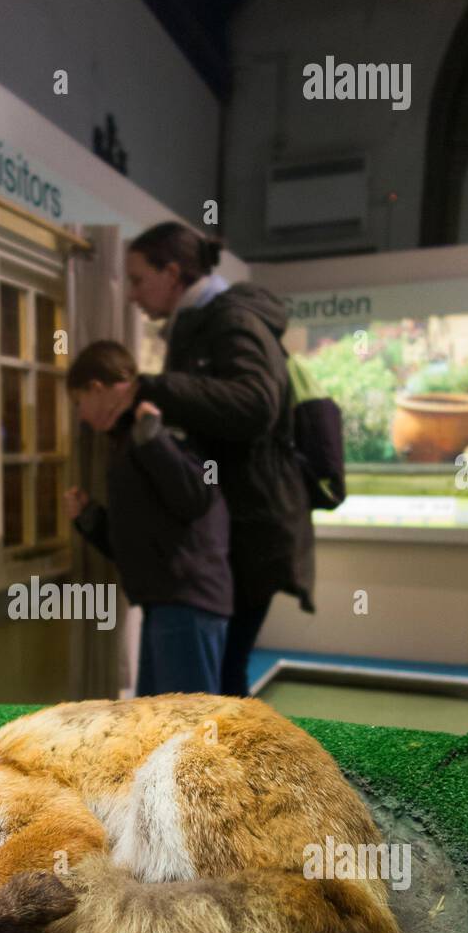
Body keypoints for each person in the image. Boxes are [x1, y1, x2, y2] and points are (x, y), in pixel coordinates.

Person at [88, 221, 315, 696]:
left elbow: (256, 403)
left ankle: (228, 772)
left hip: (250, 536)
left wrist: (153, 387)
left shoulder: (230, 320)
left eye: (137, 280)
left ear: (172, 274)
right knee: (217, 686)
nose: (131, 295)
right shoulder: (203, 325)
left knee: (218, 692)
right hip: (235, 537)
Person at [64, 340, 232, 696]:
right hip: (167, 601)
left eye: (80, 403)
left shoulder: (164, 416)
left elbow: (197, 495)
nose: (81, 415)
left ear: (97, 388)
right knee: (159, 724)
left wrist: (154, 438)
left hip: (188, 600)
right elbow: (141, 535)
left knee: (186, 728)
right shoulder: (127, 438)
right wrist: (90, 518)